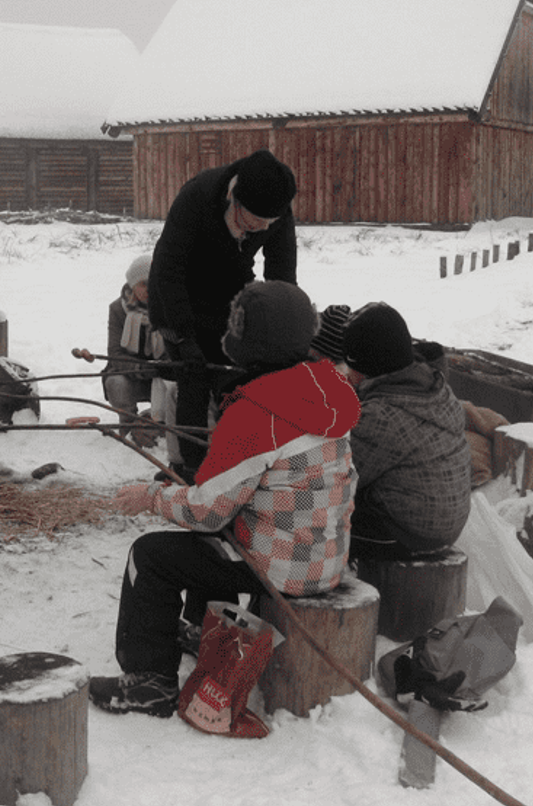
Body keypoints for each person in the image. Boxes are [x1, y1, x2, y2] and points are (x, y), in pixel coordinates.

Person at [91, 281, 361, 718]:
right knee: (218, 536)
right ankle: (203, 630)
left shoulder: (255, 413)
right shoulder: (329, 390)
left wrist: (151, 497)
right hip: (327, 555)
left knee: (152, 555)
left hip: (280, 570)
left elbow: (204, 509)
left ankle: (150, 681)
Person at [147, 149, 298, 482]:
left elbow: (282, 274)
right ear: (235, 200)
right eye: (254, 223)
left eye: (267, 225)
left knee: (242, 378)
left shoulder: (276, 207)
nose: (260, 230)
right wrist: (183, 338)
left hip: (231, 293)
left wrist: (284, 328)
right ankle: (190, 470)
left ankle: (239, 466)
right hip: (178, 296)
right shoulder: (197, 197)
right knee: (194, 379)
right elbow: (167, 271)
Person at [340, 302, 472, 559]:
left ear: (365, 366)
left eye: (349, 365)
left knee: (307, 522)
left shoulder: (382, 416)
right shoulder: (434, 388)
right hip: (444, 522)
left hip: (406, 533)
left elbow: (337, 475)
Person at [102, 253, 176, 452]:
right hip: (132, 375)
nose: (149, 290)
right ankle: (129, 426)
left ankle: (167, 428)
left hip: (163, 376)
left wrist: (166, 365)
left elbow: (179, 343)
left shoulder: (171, 306)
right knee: (115, 381)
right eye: (143, 284)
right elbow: (114, 353)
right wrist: (140, 368)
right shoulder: (118, 309)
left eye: (154, 283)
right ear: (133, 285)